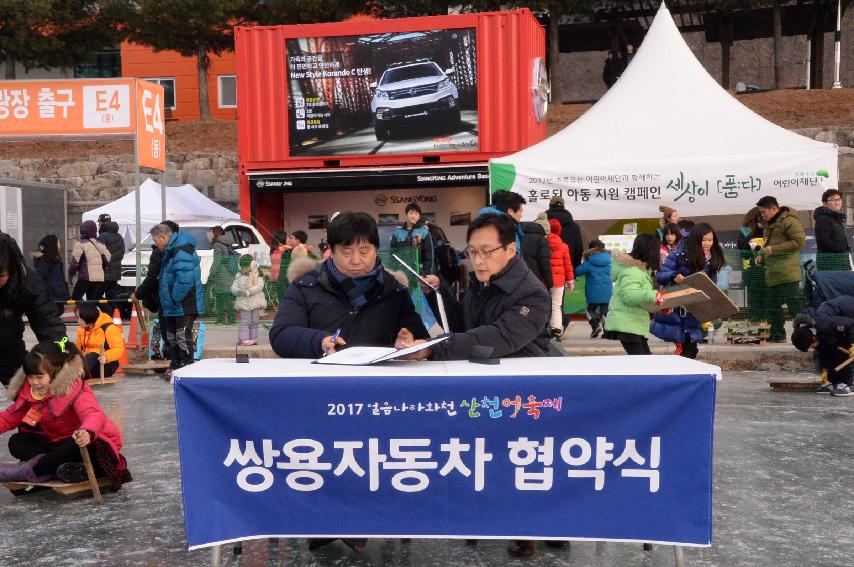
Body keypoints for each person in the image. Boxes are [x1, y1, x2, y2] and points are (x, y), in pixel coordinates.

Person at [269, 211, 429, 360]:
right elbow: (281, 335)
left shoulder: (394, 291)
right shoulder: (306, 286)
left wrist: (410, 343)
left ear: (376, 250)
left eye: (364, 251)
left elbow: (421, 338)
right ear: (331, 251)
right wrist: (319, 341)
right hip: (321, 383)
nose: (356, 260)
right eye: (346, 252)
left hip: (376, 384)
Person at [401, 213, 552, 362]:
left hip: (521, 379)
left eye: (486, 252)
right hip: (479, 373)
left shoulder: (533, 294)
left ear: (510, 250)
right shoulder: (483, 283)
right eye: (472, 252)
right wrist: (438, 292)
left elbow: (495, 338)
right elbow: (461, 324)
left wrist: (431, 347)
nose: (478, 261)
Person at [0, 339, 132, 490]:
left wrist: (87, 431)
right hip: (55, 444)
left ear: (56, 372)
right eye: (30, 377)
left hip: (85, 441)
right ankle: (61, 468)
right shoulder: (30, 393)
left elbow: (93, 414)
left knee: (74, 444)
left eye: (39, 377)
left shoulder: (74, 388)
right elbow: (9, 416)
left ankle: (33, 470)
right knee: (17, 441)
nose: (34, 382)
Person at [0, 232, 67, 387]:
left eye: (0, 277)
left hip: (7, 346)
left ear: (11, 268)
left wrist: (61, 358)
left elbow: (50, 325)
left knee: (28, 391)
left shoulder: (28, 284)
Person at [651, 223, 726, 358]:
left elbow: (712, 284)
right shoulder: (679, 254)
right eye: (704, 240)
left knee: (691, 348)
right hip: (678, 309)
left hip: (696, 309)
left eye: (710, 240)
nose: (707, 243)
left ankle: (684, 373)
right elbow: (660, 275)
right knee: (685, 349)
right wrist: (674, 276)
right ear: (696, 239)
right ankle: (679, 375)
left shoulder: (712, 258)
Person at [154, 223, 204, 374]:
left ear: (163, 237)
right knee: (171, 337)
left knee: (182, 336)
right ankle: (176, 366)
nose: (155, 245)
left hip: (184, 303)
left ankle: (188, 368)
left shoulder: (181, 251)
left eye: (156, 241)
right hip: (173, 304)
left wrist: (175, 298)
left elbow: (185, 279)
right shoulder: (171, 251)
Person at [755, 196, 806, 343]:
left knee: (794, 306)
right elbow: (766, 245)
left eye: (764, 211)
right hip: (772, 274)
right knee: (772, 306)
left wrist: (775, 249)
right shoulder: (768, 225)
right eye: (761, 212)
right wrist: (760, 256)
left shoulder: (789, 221)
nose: (762, 215)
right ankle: (777, 334)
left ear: (773, 208)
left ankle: (803, 335)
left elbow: (799, 241)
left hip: (788, 274)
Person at [603, 234, 663, 355]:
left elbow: (640, 297)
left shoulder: (640, 271)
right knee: (642, 363)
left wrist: (657, 303)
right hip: (627, 324)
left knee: (644, 361)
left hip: (633, 324)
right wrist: (652, 296)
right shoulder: (633, 271)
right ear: (650, 252)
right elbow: (629, 296)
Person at [791, 296, 854, 396]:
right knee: (830, 347)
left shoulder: (825, 325)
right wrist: (826, 370)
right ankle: (835, 382)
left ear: (814, 338)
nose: (813, 348)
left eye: (811, 346)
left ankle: (850, 384)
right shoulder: (810, 331)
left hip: (850, 319)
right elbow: (824, 351)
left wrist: (852, 344)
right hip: (843, 321)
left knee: (845, 347)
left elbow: (851, 324)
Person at [133, 220, 180, 315]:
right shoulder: (186, 248)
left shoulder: (161, 252)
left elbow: (152, 276)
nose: (155, 243)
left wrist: (139, 294)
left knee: (170, 327)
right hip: (182, 300)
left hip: (169, 299)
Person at [75, 302, 125, 380]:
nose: (78, 321)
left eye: (79, 318)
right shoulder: (81, 329)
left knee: (93, 355)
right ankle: (75, 375)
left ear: (87, 316)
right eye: (77, 318)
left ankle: (76, 377)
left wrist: (106, 356)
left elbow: (119, 349)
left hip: (105, 365)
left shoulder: (109, 328)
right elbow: (78, 350)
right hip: (87, 362)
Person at [575, 239, 613, 338]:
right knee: (605, 311)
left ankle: (595, 326)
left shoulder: (589, 262)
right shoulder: (609, 261)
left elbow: (578, 271)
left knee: (589, 310)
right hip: (607, 292)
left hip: (593, 292)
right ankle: (607, 332)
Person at [68, 219, 110, 301]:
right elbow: (108, 259)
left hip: (85, 277)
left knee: (75, 298)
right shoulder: (101, 244)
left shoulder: (80, 244)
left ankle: (82, 311)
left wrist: (70, 275)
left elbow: (75, 263)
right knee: (92, 301)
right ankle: (91, 312)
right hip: (99, 278)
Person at [545, 218, 573, 339]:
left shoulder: (542, 243)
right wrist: (570, 280)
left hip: (544, 280)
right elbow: (568, 264)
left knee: (543, 305)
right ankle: (556, 330)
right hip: (559, 281)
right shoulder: (564, 246)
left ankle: (543, 329)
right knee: (556, 305)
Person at [737, 208, 766, 322]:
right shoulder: (746, 232)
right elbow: (743, 253)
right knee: (754, 298)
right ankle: (756, 320)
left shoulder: (769, 231)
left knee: (766, 299)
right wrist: (750, 241)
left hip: (768, 271)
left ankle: (765, 322)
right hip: (751, 271)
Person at [389, 203, 434, 275]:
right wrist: (394, 272)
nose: (413, 216)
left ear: (419, 216)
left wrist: (426, 274)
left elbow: (428, 256)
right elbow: (392, 255)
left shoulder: (424, 233)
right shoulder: (397, 233)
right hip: (401, 273)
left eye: (416, 214)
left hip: (419, 273)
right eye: (411, 213)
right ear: (406, 214)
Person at [232, 254, 266, 346]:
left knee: (254, 321)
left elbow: (259, 286)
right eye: (242, 267)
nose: (244, 269)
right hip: (244, 303)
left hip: (256, 302)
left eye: (246, 267)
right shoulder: (239, 276)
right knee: (245, 321)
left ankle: (253, 338)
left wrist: (249, 292)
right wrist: (237, 291)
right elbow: (234, 286)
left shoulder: (257, 275)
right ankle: (243, 339)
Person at [814, 189, 851, 271]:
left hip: (841, 261)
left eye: (838, 199)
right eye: (832, 200)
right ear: (825, 203)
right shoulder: (823, 219)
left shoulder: (836, 218)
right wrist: (842, 250)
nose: (837, 202)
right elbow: (823, 241)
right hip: (830, 263)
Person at [32, 234, 69, 316]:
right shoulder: (44, 261)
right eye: (58, 243)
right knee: (52, 318)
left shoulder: (56, 260)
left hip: (58, 295)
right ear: (52, 245)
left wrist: (65, 291)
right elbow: (40, 279)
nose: (59, 245)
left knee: (57, 315)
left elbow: (60, 279)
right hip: (51, 297)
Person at [97, 213, 126, 313]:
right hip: (115, 273)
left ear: (102, 223)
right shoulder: (119, 237)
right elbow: (121, 253)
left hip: (104, 273)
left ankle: (109, 312)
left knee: (94, 296)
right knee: (112, 297)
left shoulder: (102, 237)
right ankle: (114, 316)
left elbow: (99, 255)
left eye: (99, 222)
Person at [546, 195, 583, 269]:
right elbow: (579, 249)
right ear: (563, 206)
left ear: (550, 205)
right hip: (568, 266)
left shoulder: (542, 224)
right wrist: (574, 267)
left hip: (546, 267)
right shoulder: (574, 226)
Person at [209, 226, 236, 325]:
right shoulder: (226, 242)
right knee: (228, 297)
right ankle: (231, 319)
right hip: (229, 272)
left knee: (220, 297)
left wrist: (211, 274)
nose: (209, 235)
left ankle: (220, 319)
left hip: (221, 274)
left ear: (215, 233)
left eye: (211, 232)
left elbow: (217, 261)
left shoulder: (217, 244)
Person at [521, 212, 553, 289]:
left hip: (518, 276)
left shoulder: (519, 235)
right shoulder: (542, 239)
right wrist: (550, 282)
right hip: (535, 278)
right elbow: (544, 262)